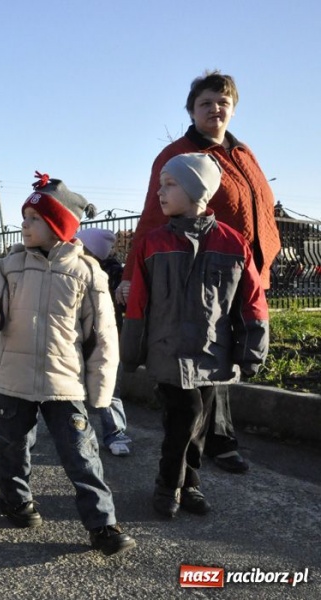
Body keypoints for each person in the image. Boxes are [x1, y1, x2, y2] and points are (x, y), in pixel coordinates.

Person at [0, 173, 136, 558]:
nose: (24, 224)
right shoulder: (8, 267)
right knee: (13, 447)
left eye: (33, 218)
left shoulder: (87, 272)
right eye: (24, 217)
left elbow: (104, 336)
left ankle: (102, 524)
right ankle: (15, 501)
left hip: (65, 384)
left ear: (58, 225)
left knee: (82, 454)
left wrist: (101, 392)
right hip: (13, 380)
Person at [117, 71, 281, 474]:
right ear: (191, 109)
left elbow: (259, 207)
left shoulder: (243, 153)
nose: (216, 109)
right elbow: (154, 214)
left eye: (223, 102)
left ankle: (209, 437)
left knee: (227, 349)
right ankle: (208, 442)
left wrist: (263, 259)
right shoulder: (180, 155)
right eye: (206, 102)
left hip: (240, 268)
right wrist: (129, 274)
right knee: (205, 351)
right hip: (197, 270)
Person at [121, 153, 269, 518]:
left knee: (196, 423)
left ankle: (190, 484)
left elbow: (250, 301)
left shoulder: (234, 243)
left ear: (197, 190)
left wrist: (251, 350)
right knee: (185, 415)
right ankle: (167, 482)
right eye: (161, 185)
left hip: (210, 354)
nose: (160, 192)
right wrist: (132, 351)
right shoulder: (152, 243)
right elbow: (138, 302)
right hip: (166, 351)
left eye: (170, 184)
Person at [75, 228, 133, 457]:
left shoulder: (114, 274)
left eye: (81, 246)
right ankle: (74, 428)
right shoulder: (72, 270)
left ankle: (116, 433)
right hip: (77, 337)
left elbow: (126, 304)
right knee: (73, 385)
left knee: (109, 387)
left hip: (108, 338)